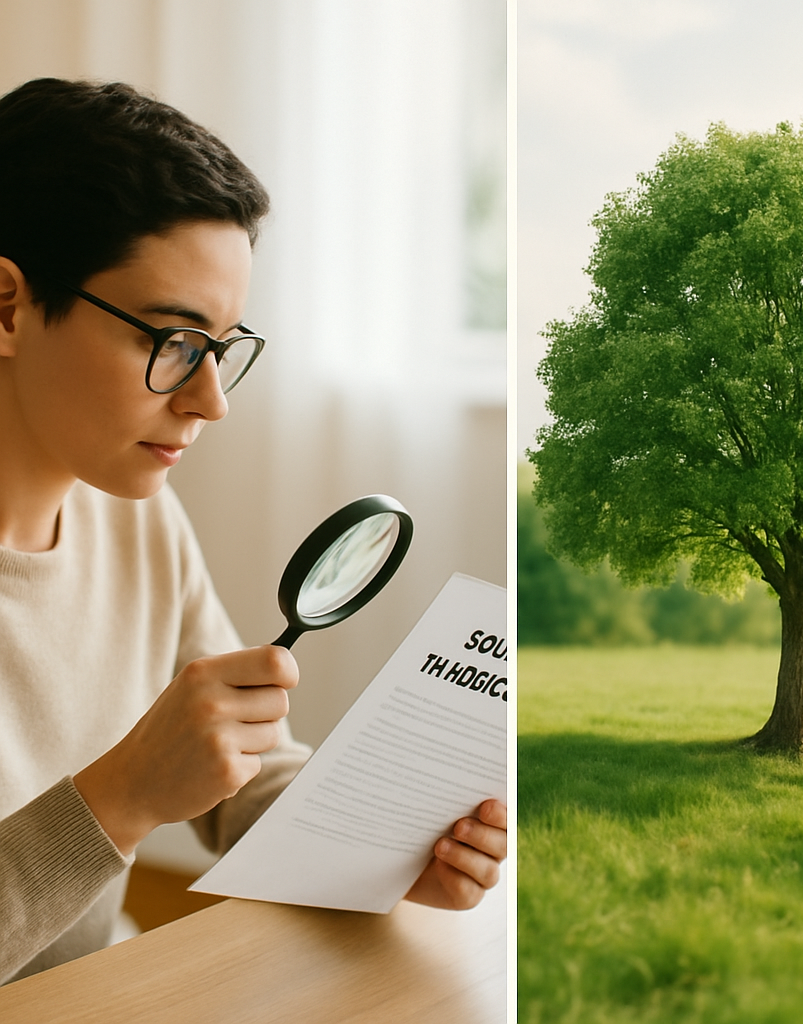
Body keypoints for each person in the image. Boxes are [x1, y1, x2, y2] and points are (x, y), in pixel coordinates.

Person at [0, 77, 507, 985]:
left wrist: (387, 850)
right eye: (173, 340)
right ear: (7, 308)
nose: (212, 400)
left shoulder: (138, 520)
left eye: (223, 348)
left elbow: (244, 778)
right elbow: (147, 783)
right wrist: (120, 797)